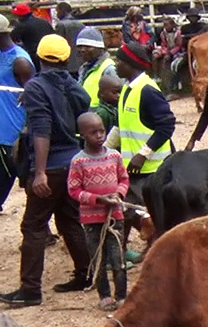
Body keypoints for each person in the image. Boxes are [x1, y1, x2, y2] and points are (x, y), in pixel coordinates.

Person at [0, 35, 91, 307]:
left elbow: (41, 131)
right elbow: (82, 112)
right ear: (65, 58)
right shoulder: (75, 88)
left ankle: (30, 289)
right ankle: (85, 274)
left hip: (50, 165)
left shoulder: (36, 88)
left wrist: (39, 172)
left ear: (39, 57)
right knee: (70, 219)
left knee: (34, 225)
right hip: (73, 162)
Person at [114, 42, 175, 263]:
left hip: (152, 168)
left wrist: (144, 154)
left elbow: (167, 125)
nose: (116, 64)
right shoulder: (128, 90)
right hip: (132, 166)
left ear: (130, 64)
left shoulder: (147, 91)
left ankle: (159, 250)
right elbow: (122, 126)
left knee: (139, 211)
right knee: (131, 210)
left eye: (119, 60)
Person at [68, 111, 129, 311]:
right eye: (93, 132)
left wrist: (118, 195)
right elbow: (74, 190)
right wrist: (97, 199)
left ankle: (122, 296)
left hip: (115, 217)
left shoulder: (114, 156)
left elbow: (124, 179)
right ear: (82, 135)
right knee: (98, 260)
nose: (100, 135)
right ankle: (104, 295)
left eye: (102, 131)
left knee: (118, 258)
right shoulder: (79, 162)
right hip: (92, 220)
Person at [0, 17, 33, 214]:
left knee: (11, 174)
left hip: (13, 131)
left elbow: (32, 95)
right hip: (2, 128)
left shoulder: (20, 61)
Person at [75, 28, 118, 108]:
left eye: (88, 46)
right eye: (80, 46)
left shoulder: (109, 69)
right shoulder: (83, 68)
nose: (83, 50)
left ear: (100, 47)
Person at [11, 4, 54, 72]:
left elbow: (12, 39)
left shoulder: (22, 26)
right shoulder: (44, 22)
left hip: (34, 56)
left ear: (21, 16)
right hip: (50, 54)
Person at [52, 3, 85, 74]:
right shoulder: (80, 24)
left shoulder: (61, 25)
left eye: (57, 11)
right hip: (80, 62)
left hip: (67, 63)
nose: (57, 15)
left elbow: (58, 45)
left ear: (62, 11)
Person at [153, 17, 183, 94]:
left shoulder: (178, 33)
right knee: (155, 56)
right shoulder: (163, 33)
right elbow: (164, 45)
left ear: (172, 25)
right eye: (164, 25)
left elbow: (179, 46)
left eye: (167, 25)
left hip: (178, 51)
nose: (165, 27)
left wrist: (170, 53)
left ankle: (175, 85)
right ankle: (157, 77)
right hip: (167, 50)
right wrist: (165, 52)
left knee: (173, 64)